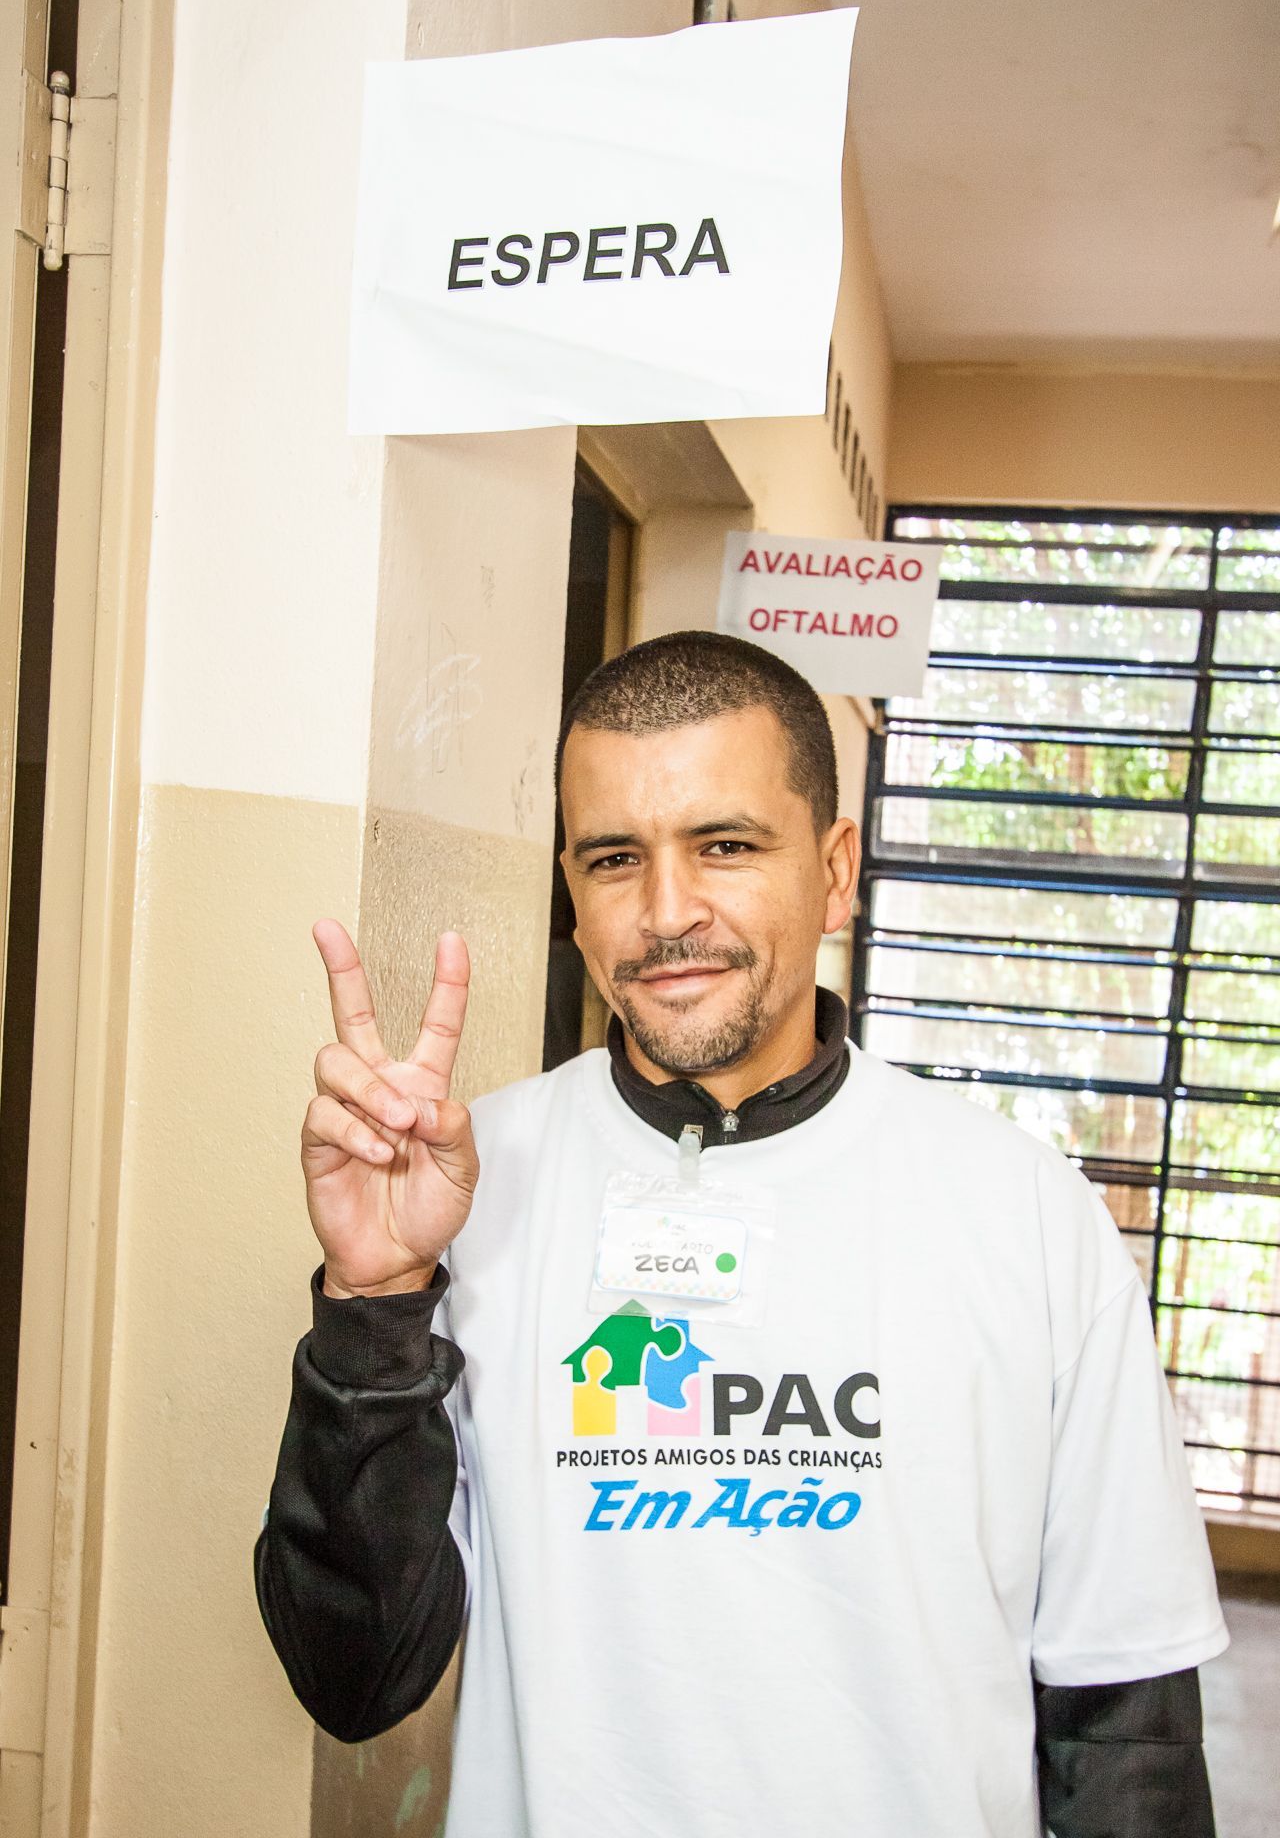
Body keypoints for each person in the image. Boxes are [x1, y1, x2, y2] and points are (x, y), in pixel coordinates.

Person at [255, 630, 1227, 1838]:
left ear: (833, 870)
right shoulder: (461, 1185)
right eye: (615, 858)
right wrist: (376, 1301)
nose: (667, 913)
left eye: (724, 845)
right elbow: (354, 1679)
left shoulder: (1021, 1213)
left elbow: (1124, 1725)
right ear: (572, 896)